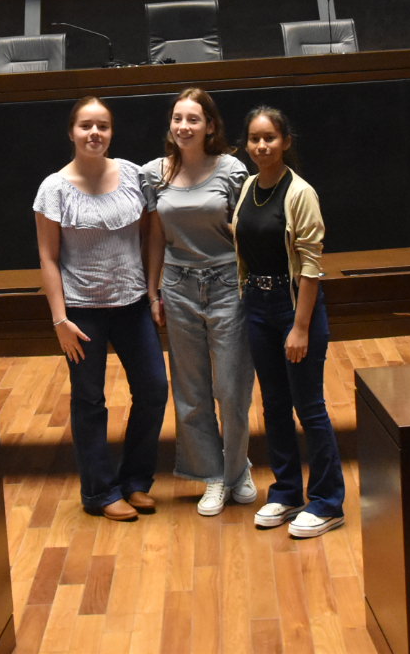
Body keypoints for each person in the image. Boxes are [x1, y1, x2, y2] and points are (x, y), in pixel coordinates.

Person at [34, 96, 169, 522]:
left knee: (154, 390)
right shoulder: (54, 188)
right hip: (82, 313)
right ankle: (99, 492)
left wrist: (152, 292)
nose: (95, 133)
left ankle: (135, 481)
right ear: (71, 132)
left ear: (111, 132)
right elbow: (48, 257)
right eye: (86, 126)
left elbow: (151, 237)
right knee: (90, 400)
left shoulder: (133, 176)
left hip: (132, 304)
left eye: (103, 126)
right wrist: (60, 319)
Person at [231, 106, 345, 537]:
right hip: (257, 306)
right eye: (255, 139)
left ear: (286, 142)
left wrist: (300, 327)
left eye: (270, 138)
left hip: (294, 306)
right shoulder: (248, 186)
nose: (262, 146)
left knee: (308, 406)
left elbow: (312, 267)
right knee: (274, 405)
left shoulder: (300, 193)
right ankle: (286, 492)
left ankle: (328, 501)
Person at [141, 87, 254, 517]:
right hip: (179, 286)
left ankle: (237, 468)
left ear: (209, 125)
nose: (184, 126)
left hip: (227, 285)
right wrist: (153, 290)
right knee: (190, 391)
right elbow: (155, 235)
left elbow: (247, 231)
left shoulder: (231, 169)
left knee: (231, 387)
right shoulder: (154, 173)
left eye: (193, 119)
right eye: (177, 118)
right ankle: (212, 475)